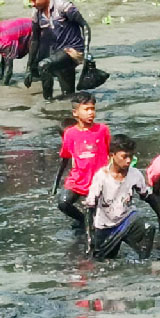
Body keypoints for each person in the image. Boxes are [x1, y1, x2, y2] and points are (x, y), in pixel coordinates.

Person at [84, 134, 160, 259]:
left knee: (148, 228)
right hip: (105, 226)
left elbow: (148, 197)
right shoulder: (101, 177)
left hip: (126, 219)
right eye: (124, 157)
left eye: (131, 156)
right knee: (101, 261)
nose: (129, 161)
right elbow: (89, 207)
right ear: (112, 155)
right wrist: (89, 239)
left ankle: (143, 263)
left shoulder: (135, 174)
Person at [23, 0, 91, 100]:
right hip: (58, 53)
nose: (32, 4)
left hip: (73, 51)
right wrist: (29, 68)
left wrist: (86, 53)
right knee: (68, 95)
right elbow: (35, 40)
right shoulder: (36, 14)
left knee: (44, 65)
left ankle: (47, 103)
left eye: (34, 0)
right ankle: (77, 105)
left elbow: (85, 26)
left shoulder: (63, 6)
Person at [53, 92, 110, 229]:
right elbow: (65, 157)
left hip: (98, 179)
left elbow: (111, 153)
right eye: (86, 109)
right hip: (78, 179)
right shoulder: (70, 134)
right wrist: (57, 181)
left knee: (99, 219)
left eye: (93, 109)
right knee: (63, 203)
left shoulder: (102, 130)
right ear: (75, 113)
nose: (91, 113)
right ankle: (82, 220)